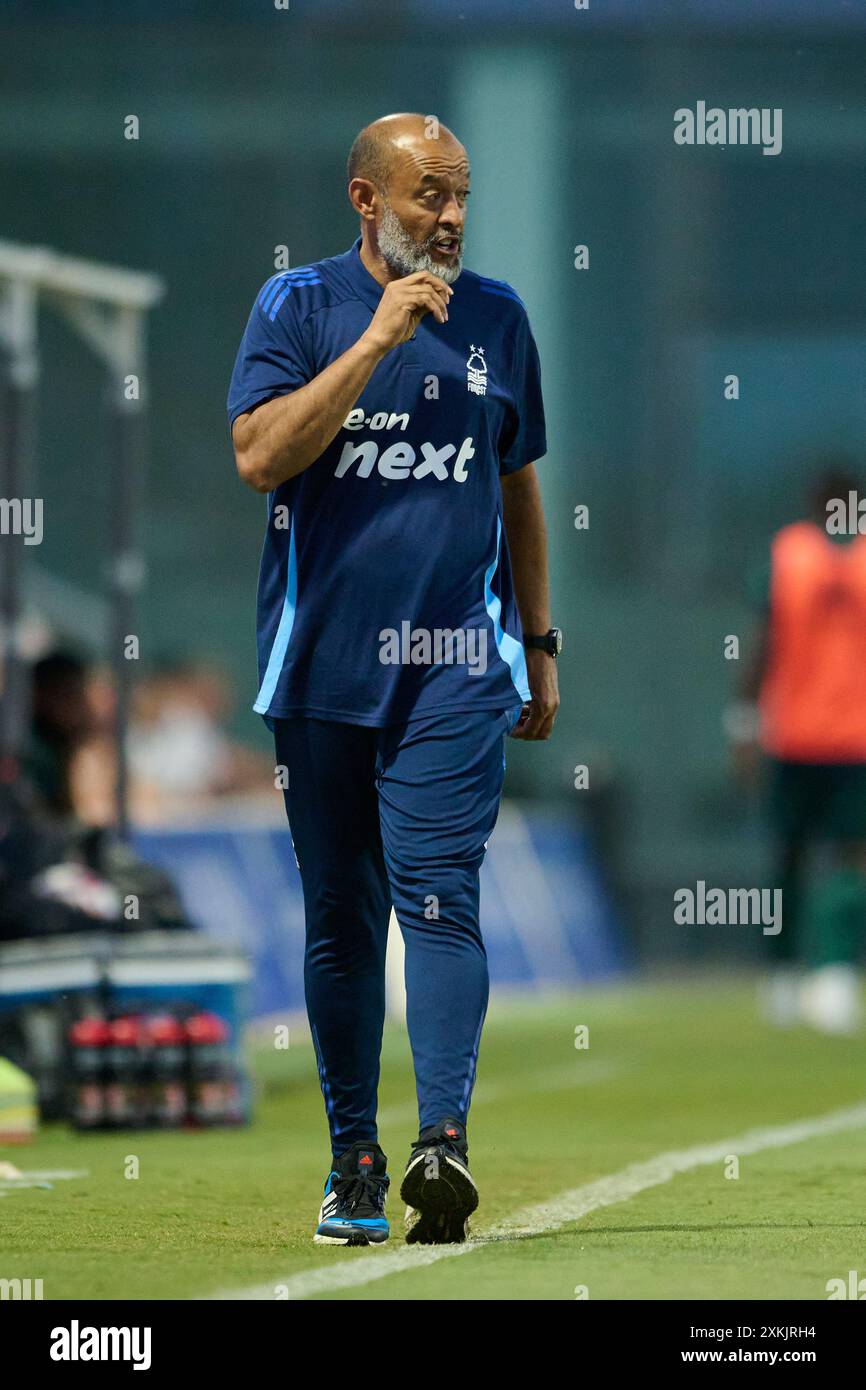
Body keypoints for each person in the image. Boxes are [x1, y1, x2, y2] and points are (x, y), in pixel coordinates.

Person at [228, 114, 560, 1245]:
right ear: (366, 200)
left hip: (455, 668)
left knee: (440, 892)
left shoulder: (500, 322)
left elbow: (517, 487)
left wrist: (540, 640)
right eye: (428, 196)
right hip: (318, 664)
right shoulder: (297, 308)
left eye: (461, 195)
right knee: (339, 919)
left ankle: (442, 1145)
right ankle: (353, 1161)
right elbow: (259, 456)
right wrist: (372, 343)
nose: (451, 217)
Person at [729, 466, 866, 1033]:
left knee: (797, 858)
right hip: (829, 735)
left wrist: (742, 720)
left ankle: (799, 975)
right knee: (840, 857)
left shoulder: (786, 556)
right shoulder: (796, 557)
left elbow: (758, 645)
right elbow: (762, 641)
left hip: (809, 735)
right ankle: (823, 974)